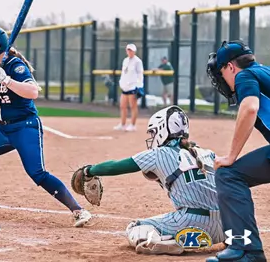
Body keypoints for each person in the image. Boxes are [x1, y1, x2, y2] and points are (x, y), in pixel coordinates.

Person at [0, 26, 92, 227]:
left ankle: (78, 210)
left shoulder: (15, 66)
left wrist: (7, 81)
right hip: (3, 129)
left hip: (25, 127)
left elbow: (32, 92)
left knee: (37, 173)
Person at [72, 105, 224, 255]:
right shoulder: (206, 153)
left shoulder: (159, 154)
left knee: (136, 227)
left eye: (154, 132)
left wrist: (89, 170)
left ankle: (172, 241)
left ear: (164, 129)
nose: (152, 137)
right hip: (226, 224)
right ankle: (232, 240)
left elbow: (116, 166)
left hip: (191, 222)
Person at [205, 40, 269, 262]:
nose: (221, 79)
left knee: (229, 174)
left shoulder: (244, 76)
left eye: (221, 72)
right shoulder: (265, 72)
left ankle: (246, 250)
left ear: (231, 67)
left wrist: (231, 156)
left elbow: (250, 108)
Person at [114, 43, 144, 132]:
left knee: (133, 106)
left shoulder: (138, 61)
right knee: (122, 106)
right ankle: (123, 124)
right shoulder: (125, 60)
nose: (129, 52)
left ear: (134, 51)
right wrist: (121, 82)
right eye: (128, 50)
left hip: (133, 86)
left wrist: (138, 86)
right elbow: (124, 73)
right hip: (125, 87)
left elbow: (140, 74)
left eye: (131, 50)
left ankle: (133, 125)